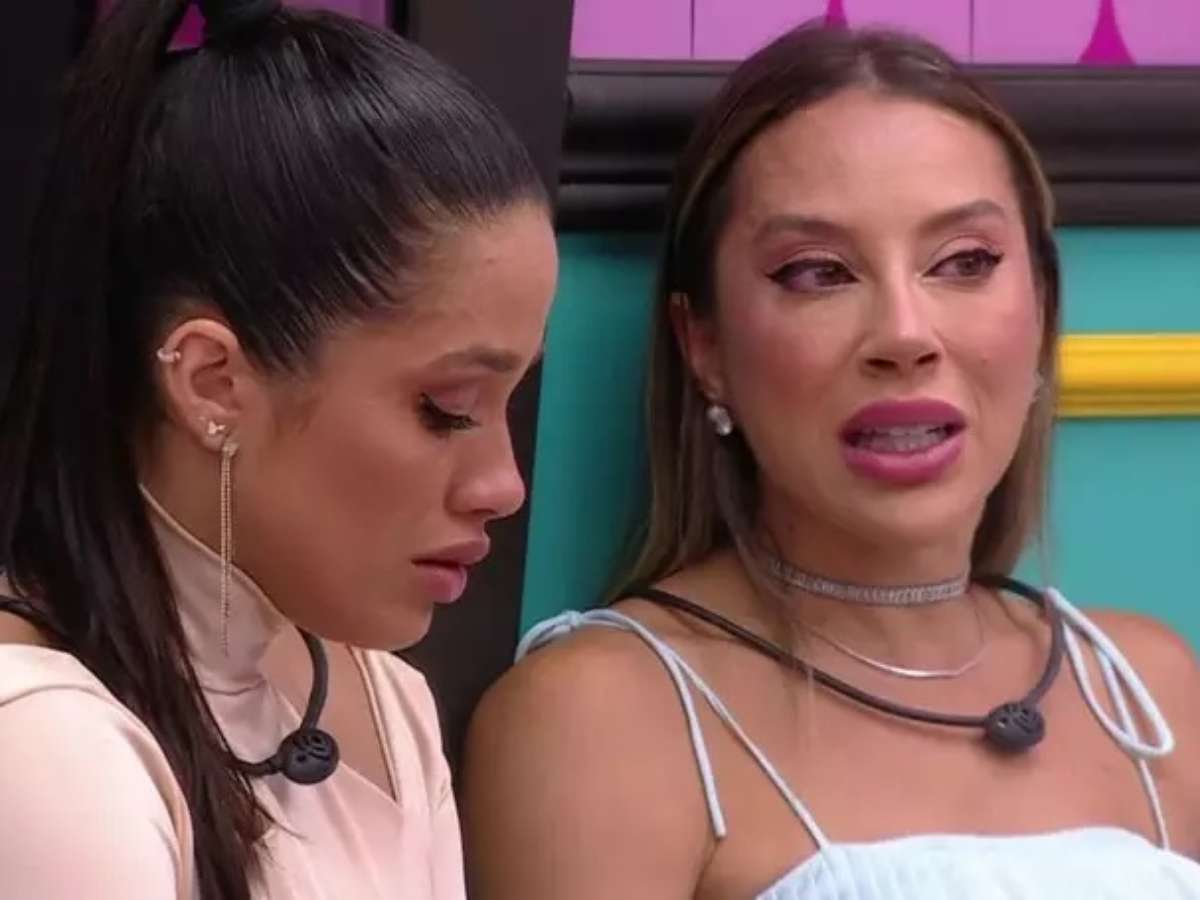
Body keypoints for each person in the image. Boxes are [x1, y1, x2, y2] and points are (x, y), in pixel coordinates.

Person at [462, 23, 1200, 900]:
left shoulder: (1145, 691)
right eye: (818, 273)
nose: (904, 335)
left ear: (1041, 307)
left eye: (964, 261)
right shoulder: (604, 714)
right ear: (703, 345)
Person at [0, 0, 555, 897]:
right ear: (212, 381)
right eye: (447, 408)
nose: (504, 485)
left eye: (512, 399)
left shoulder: (388, 701)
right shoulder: (43, 751)